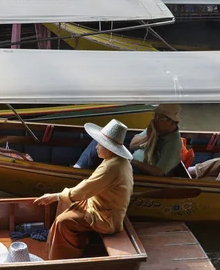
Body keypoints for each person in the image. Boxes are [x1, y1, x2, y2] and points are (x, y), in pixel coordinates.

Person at [34, 119, 134, 260]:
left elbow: (85, 189)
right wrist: (61, 196)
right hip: (99, 205)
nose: (96, 147)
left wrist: (55, 196)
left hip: (106, 217)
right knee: (64, 201)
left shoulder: (111, 167)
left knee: (63, 221)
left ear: (110, 148)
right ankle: (59, 239)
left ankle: (61, 259)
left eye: (100, 144)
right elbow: (88, 187)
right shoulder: (118, 161)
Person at [74, 104, 183, 177]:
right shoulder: (155, 127)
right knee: (102, 140)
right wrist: (147, 137)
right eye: (155, 115)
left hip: (138, 172)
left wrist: (134, 162)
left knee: (106, 151)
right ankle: (77, 169)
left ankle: (80, 175)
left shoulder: (173, 144)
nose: (155, 119)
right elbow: (132, 145)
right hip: (131, 160)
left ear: (171, 122)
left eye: (159, 118)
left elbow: (159, 172)